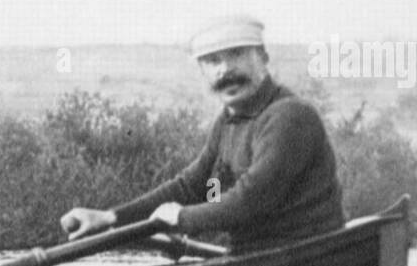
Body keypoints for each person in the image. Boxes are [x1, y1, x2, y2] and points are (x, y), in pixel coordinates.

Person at [60, 18, 344, 252]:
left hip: (302, 260)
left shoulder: (290, 116)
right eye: (212, 61)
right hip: (256, 260)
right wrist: (110, 217)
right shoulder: (228, 121)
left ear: (263, 57)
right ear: (203, 71)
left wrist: (182, 218)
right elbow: (190, 186)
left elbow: (251, 200)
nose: (225, 70)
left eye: (236, 54)